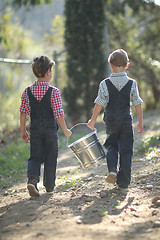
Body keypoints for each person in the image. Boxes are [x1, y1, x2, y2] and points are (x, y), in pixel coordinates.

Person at [87, 49, 143, 190]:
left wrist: (92, 121)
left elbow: (99, 103)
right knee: (126, 150)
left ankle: (112, 170)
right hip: (126, 119)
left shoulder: (104, 84)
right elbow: (137, 103)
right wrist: (140, 122)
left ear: (110, 64)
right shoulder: (132, 83)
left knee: (112, 145)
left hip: (111, 119)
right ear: (127, 65)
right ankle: (123, 183)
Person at [20, 55, 72, 197]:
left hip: (35, 128)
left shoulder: (27, 91)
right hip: (50, 129)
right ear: (48, 72)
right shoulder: (53, 92)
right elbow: (59, 113)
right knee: (51, 156)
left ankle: (32, 180)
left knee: (35, 157)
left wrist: (23, 129)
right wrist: (65, 130)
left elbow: (23, 112)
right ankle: (49, 186)